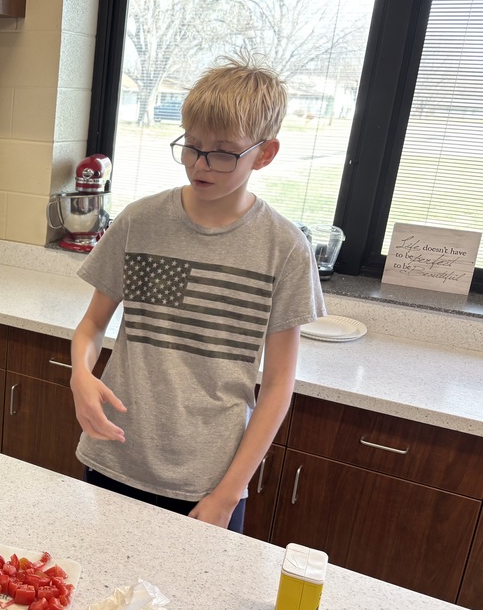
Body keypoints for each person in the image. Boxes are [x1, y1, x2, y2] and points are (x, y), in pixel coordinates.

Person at [69, 56, 324, 533]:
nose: (200, 164)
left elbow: (277, 389)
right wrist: (80, 376)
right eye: (191, 146)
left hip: (208, 483)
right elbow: (92, 325)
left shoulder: (285, 248)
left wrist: (227, 495)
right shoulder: (140, 222)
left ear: (265, 154)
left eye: (223, 153)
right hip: (115, 455)